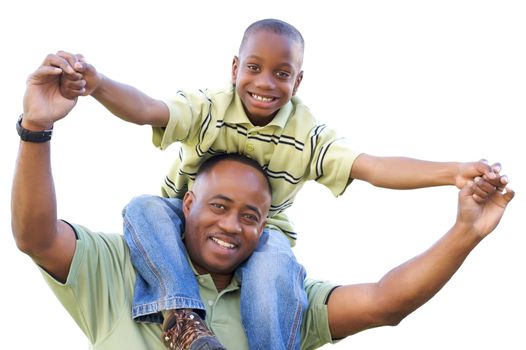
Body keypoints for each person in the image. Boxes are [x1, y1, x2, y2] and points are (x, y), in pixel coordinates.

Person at [57, 18, 506, 350]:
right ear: (234, 68)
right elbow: (149, 109)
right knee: (144, 207)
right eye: (254, 67)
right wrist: (98, 86)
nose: (265, 84)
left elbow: (371, 167)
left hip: (264, 233)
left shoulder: (306, 135)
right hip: (179, 220)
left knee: (275, 265)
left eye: (282, 73)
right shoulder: (211, 107)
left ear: (299, 79)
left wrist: (450, 172)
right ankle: (182, 317)